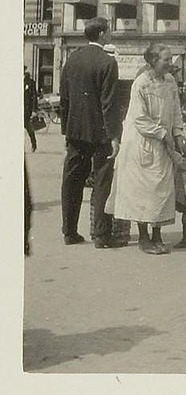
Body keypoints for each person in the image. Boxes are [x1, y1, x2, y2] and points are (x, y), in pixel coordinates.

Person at [106, 42, 185, 255]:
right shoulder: (141, 83)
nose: (169, 63)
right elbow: (139, 118)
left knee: (162, 191)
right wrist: (162, 134)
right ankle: (144, 237)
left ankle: (157, 235)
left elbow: (176, 109)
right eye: (166, 59)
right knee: (143, 192)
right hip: (143, 143)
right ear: (153, 61)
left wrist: (178, 133)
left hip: (164, 144)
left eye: (170, 59)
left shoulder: (170, 81)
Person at [59, 17, 123, 248]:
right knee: (102, 182)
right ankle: (102, 235)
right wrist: (114, 135)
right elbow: (109, 103)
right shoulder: (108, 62)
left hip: (75, 131)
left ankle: (69, 231)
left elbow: (64, 98)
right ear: (102, 33)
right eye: (109, 30)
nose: (111, 34)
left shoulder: (72, 59)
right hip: (100, 133)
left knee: (72, 180)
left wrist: (67, 130)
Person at [24, 67, 39, 152]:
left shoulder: (30, 82)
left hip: (27, 109)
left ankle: (33, 144)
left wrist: (34, 110)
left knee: (29, 128)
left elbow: (34, 97)